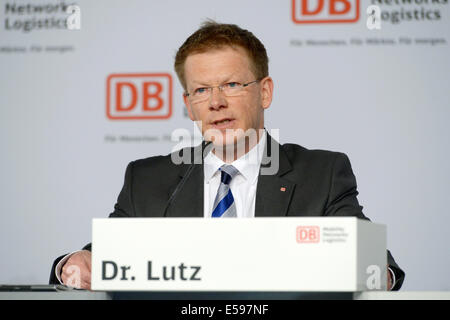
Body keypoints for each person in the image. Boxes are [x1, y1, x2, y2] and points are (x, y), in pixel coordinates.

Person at [49, 21, 405, 290]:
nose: (216, 102)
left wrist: (370, 274)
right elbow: (104, 256)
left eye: (232, 85)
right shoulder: (148, 179)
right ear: (189, 106)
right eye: (201, 89)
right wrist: (76, 263)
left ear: (264, 92)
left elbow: (376, 265)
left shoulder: (322, 173)